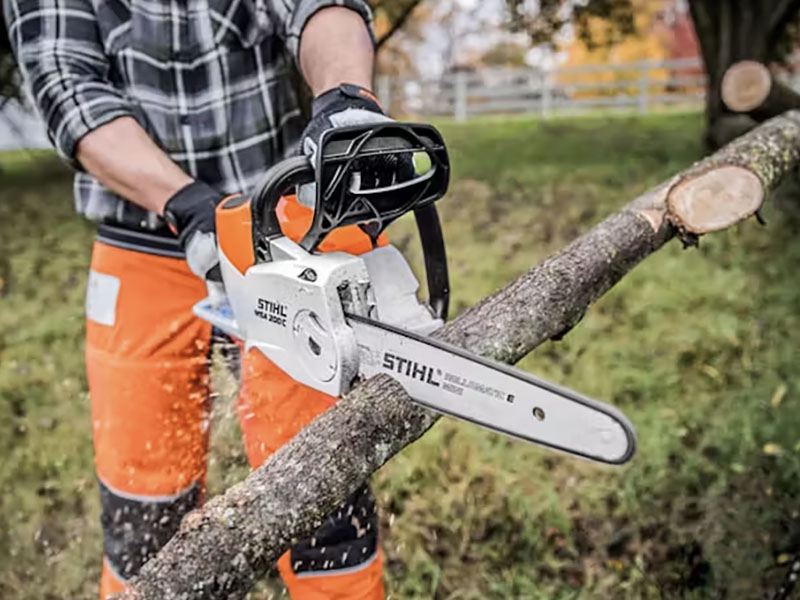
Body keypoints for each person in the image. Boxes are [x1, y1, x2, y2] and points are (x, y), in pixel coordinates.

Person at [4, 1, 398, 598]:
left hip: (281, 224)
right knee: (142, 506)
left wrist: (345, 97)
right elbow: (68, 84)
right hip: (138, 234)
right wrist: (184, 201)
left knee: (322, 485)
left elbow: (321, 6)